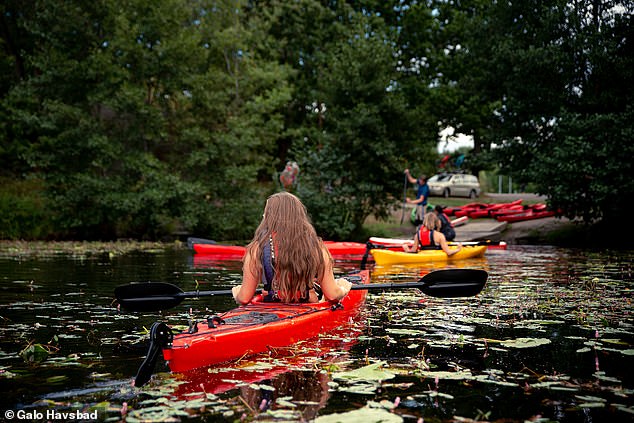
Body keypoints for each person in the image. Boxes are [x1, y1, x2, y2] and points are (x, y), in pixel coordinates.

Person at [232, 192, 352, 305]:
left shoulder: (256, 249)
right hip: (308, 306)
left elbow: (244, 298)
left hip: (270, 308)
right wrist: (343, 288)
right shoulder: (316, 247)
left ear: (269, 217)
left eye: (265, 213)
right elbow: (332, 295)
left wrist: (237, 293)